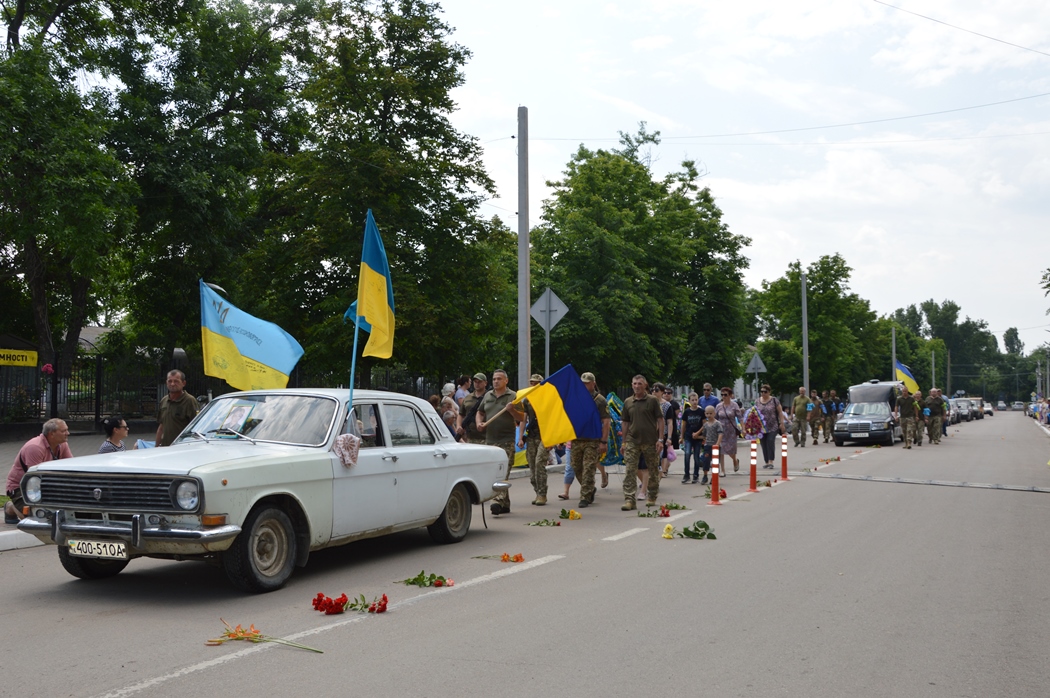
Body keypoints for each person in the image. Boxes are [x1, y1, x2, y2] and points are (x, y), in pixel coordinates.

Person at [5, 418, 72, 523]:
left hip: (45, 484)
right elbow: (34, 478)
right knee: (32, 517)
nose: (67, 433)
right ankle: (11, 507)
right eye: (63, 431)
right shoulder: (35, 447)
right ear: (51, 434)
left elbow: (69, 467)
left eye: (67, 430)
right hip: (23, 487)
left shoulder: (62, 445)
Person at [477, 369, 522, 515]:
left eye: (499, 379)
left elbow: (522, 418)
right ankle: (505, 504)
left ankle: (496, 502)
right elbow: (480, 412)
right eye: (494, 379)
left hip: (506, 441)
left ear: (506, 381)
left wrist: (512, 411)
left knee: (502, 473)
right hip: (490, 441)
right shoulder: (488, 395)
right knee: (492, 472)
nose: (496, 381)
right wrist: (479, 423)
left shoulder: (514, 396)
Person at [620, 375, 664, 510]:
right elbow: (625, 423)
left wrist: (660, 439)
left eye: (640, 383)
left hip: (650, 441)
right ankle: (629, 499)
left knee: (652, 469)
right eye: (634, 383)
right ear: (631, 385)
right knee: (630, 470)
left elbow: (660, 420)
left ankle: (651, 496)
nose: (637, 386)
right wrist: (624, 442)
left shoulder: (652, 401)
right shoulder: (628, 402)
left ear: (645, 385)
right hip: (633, 440)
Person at [571, 371, 611, 508]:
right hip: (577, 439)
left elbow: (606, 422)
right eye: (582, 383)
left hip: (592, 440)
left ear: (593, 383)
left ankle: (585, 497)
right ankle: (589, 488)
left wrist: (603, 441)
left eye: (587, 383)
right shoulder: (576, 398)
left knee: (588, 468)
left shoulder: (600, 400)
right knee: (576, 467)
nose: (584, 385)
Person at [520, 374, 550, 506]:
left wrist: (552, 439)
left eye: (536, 383)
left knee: (539, 464)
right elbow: (523, 419)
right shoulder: (527, 400)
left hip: (544, 437)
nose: (533, 385)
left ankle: (542, 494)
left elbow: (552, 420)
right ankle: (537, 492)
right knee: (532, 468)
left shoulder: (547, 399)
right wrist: (521, 437)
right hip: (531, 437)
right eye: (531, 383)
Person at [155, 369, 200, 447]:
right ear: (166, 383)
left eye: (176, 381)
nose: (172, 384)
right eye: (170, 381)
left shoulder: (190, 401)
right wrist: (156, 447)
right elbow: (161, 426)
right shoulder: (164, 401)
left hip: (181, 448)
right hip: (165, 447)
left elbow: (197, 427)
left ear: (183, 383)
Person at [755, 384, 786, 468]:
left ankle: (771, 461)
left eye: (765, 392)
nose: (763, 393)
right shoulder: (757, 401)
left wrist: (782, 423)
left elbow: (780, 412)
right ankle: (766, 461)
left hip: (773, 426)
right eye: (761, 391)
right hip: (761, 427)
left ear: (769, 392)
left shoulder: (774, 400)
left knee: (770, 441)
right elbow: (755, 413)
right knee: (763, 443)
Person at [715, 387, 743, 472]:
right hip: (721, 431)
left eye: (725, 395)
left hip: (731, 431)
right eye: (722, 395)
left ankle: (735, 460)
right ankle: (722, 470)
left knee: (731, 450)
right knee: (722, 450)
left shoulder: (734, 405)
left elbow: (740, 418)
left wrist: (744, 429)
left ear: (730, 395)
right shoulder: (719, 406)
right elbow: (716, 418)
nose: (723, 396)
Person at [457, 373, 488, 444]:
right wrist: (458, 426)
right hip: (470, 437)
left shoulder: (490, 397)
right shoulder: (468, 397)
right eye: (475, 382)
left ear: (485, 383)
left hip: (486, 436)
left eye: (479, 382)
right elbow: (461, 414)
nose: (477, 384)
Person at [681, 392, 705, 483]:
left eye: (696, 400)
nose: (695, 402)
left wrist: (698, 434)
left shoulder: (701, 411)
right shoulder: (687, 412)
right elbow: (684, 425)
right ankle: (686, 474)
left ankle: (696, 475)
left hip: (698, 438)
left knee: (696, 456)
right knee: (687, 454)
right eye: (692, 400)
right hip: (688, 436)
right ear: (689, 401)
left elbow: (704, 424)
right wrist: (681, 437)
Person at [697, 405, 724, 485]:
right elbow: (704, 435)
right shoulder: (705, 425)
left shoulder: (717, 423)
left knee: (715, 462)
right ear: (705, 414)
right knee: (706, 461)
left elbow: (720, 434)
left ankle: (714, 477)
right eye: (707, 413)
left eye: (710, 413)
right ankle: (705, 476)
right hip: (707, 445)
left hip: (715, 446)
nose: (709, 415)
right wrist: (698, 436)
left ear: (714, 413)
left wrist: (717, 444)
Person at [661, 385, 681, 477]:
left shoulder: (674, 404)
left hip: (671, 428)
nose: (666, 394)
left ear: (671, 394)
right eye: (664, 393)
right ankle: (664, 468)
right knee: (664, 450)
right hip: (662, 428)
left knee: (668, 449)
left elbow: (675, 416)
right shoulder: (659, 403)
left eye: (668, 393)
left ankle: (665, 468)